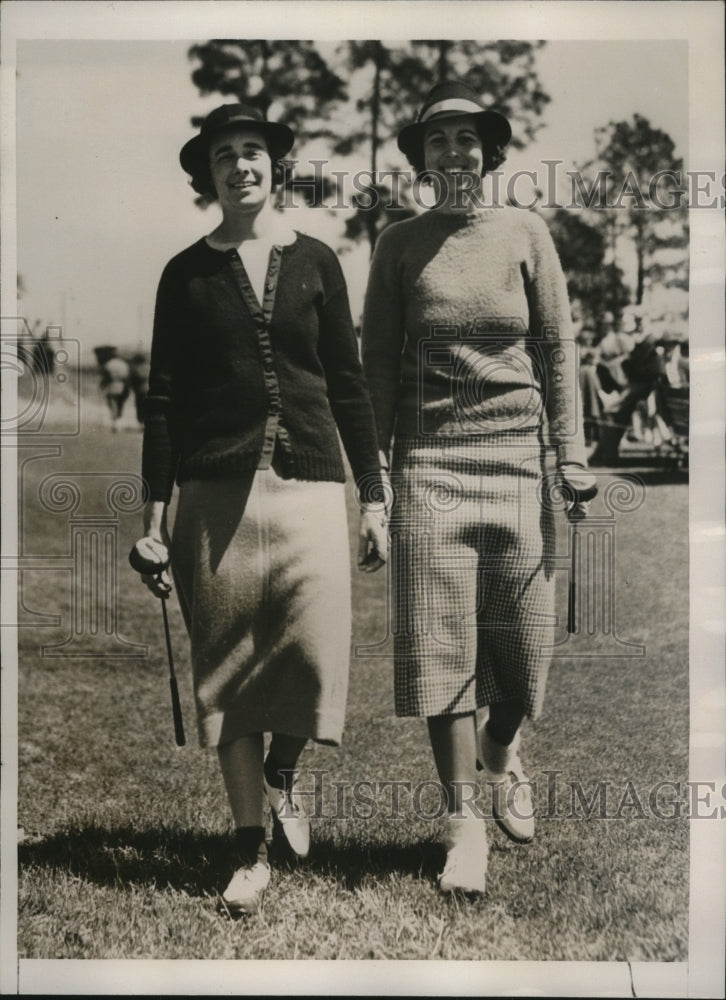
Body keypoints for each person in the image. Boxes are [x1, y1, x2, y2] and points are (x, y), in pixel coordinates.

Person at [139, 104, 387, 915]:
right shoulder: (184, 274)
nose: (240, 166)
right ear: (205, 176)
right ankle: (247, 848)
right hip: (213, 498)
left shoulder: (316, 260)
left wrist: (375, 496)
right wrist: (153, 517)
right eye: (223, 157)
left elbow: (348, 385)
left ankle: (285, 770)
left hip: (313, 484)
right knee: (229, 677)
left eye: (252, 152)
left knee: (313, 659)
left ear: (276, 165)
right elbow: (164, 400)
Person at [361, 81, 594, 895]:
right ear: (421, 159)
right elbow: (376, 366)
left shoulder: (527, 232)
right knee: (438, 644)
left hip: (518, 460)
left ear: (490, 152)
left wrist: (571, 453)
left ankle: (503, 749)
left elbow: (560, 352)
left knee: (524, 649)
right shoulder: (398, 245)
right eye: (438, 141)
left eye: (468, 139)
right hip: (428, 462)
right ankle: (462, 825)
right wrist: (377, 480)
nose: (453, 153)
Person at [94, 345, 131, 432]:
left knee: (113, 403)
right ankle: (119, 421)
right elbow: (127, 376)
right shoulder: (124, 364)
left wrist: (102, 385)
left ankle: (115, 423)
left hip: (112, 385)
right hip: (123, 385)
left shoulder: (108, 364)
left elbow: (106, 377)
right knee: (120, 404)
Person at [128, 352, 150, 426]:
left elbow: (133, 379)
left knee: (140, 406)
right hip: (150, 389)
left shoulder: (136, 368)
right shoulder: (149, 367)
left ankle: (141, 422)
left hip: (140, 390)